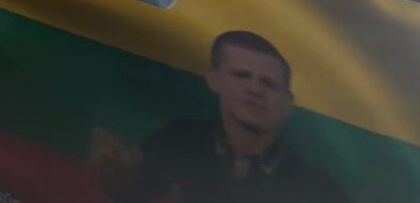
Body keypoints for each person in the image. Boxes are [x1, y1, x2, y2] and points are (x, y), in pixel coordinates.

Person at [102, 31, 351, 202]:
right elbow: (131, 194)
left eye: (269, 83)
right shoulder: (175, 141)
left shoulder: (318, 189)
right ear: (214, 80)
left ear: (288, 103)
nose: (255, 89)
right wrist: (117, 179)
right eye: (241, 75)